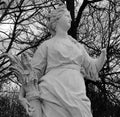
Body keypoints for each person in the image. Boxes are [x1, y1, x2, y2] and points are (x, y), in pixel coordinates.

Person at [19, 4, 106, 117]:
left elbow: (92, 68)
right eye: (67, 16)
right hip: (52, 91)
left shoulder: (77, 46)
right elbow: (32, 74)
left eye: (70, 16)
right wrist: (21, 95)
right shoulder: (47, 45)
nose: (70, 19)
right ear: (57, 19)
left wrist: (102, 58)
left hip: (77, 89)